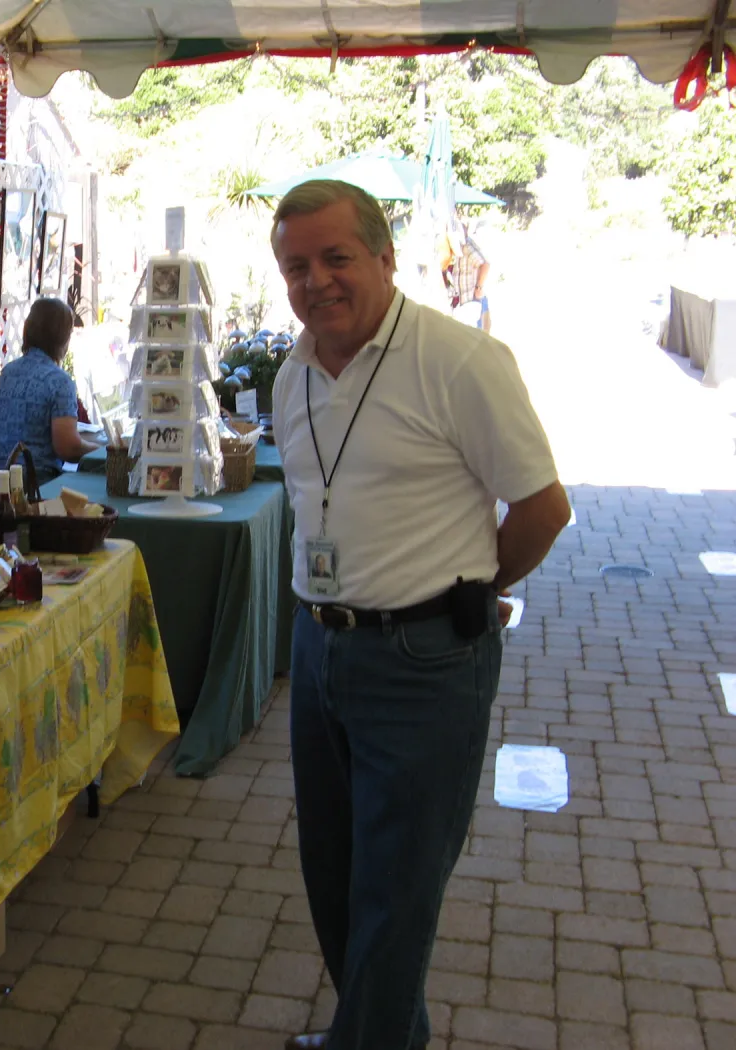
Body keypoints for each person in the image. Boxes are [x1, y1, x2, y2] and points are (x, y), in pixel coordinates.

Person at [268, 180, 569, 1050]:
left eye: (336, 258)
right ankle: (383, 1028)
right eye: (296, 266)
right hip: (320, 649)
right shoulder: (293, 373)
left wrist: (470, 592)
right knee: (335, 874)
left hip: (425, 661)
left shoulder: (460, 360)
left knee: (397, 892)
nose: (316, 281)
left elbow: (543, 507)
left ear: (386, 259)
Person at [0, 298, 97, 483]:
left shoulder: (8, 372)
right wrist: (102, 450)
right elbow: (67, 448)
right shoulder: (59, 381)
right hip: (36, 484)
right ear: (63, 337)